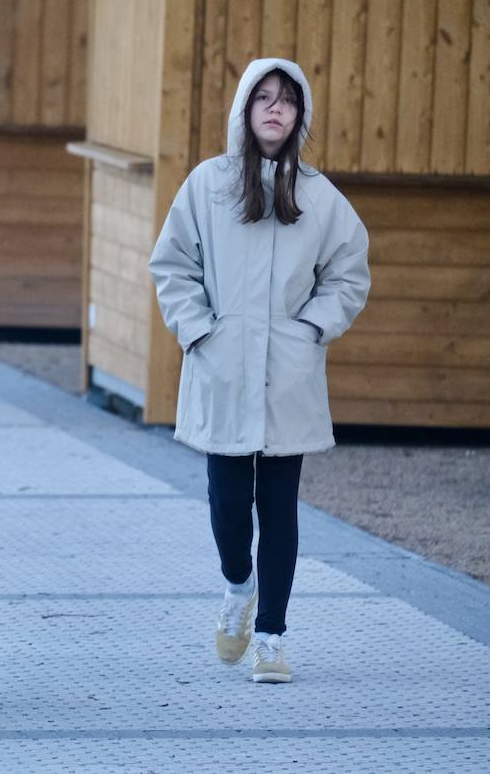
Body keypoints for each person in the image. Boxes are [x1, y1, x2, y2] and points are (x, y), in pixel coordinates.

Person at [148, 58, 370, 685]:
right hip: (222, 370)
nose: (275, 108)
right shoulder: (207, 185)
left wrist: (310, 328)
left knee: (279, 508)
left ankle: (270, 635)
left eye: (287, 100)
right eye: (263, 97)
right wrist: (199, 331)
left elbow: (349, 274)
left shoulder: (321, 197)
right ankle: (238, 587)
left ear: (301, 115)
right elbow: (172, 266)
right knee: (226, 504)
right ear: (245, 109)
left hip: (289, 377)